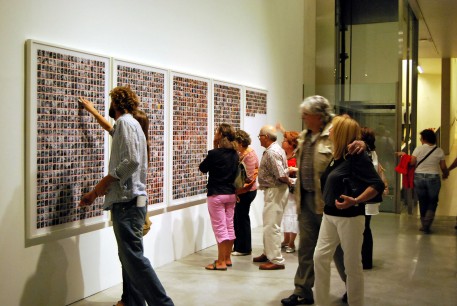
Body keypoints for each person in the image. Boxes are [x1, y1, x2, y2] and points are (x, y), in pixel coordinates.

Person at [79, 86, 174, 306]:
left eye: (110, 102)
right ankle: (133, 300)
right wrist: (92, 112)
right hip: (131, 202)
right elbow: (112, 132)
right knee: (129, 257)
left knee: (133, 258)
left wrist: (98, 188)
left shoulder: (126, 123)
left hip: (127, 202)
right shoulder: (130, 125)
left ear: (116, 103)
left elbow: (130, 161)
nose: (109, 106)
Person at [281, 96, 365, 306]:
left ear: (319, 116)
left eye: (307, 115)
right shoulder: (304, 136)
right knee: (307, 249)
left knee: (338, 251)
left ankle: (350, 286)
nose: (303, 118)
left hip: (329, 202)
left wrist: (362, 143)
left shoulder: (336, 131)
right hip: (306, 200)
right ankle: (302, 291)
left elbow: (358, 142)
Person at [314, 115, 384, 306]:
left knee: (352, 266)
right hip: (330, 215)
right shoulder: (337, 155)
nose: (329, 130)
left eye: (333, 128)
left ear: (341, 132)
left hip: (350, 217)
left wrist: (356, 200)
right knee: (319, 258)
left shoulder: (356, 155)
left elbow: (377, 183)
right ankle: (320, 301)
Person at [199, 123, 239, 270]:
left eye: (216, 132)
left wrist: (214, 148)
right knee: (229, 226)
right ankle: (227, 258)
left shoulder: (214, 154)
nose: (215, 134)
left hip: (216, 195)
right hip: (231, 194)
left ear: (221, 135)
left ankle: (220, 262)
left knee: (220, 228)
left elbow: (203, 168)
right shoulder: (235, 154)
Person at [253, 125, 290, 270]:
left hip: (275, 190)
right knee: (269, 224)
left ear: (266, 137)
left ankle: (276, 259)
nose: (259, 139)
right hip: (274, 190)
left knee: (271, 225)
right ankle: (268, 253)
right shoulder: (274, 149)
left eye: (260, 136)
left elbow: (280, 174)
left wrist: (289, 182)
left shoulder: (272, 152)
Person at [397, 129, 449, 233]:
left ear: (424, 139)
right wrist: (445, 174)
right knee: (433, 201)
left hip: (419, 177)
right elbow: (443, 167)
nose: (420, 140)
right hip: (433, 178)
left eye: (421, 138)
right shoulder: (439, 151)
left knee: (423, 201)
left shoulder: (418, 149)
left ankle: (424, 224)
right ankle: (427, 224)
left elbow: (412, 162)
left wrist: (404, 155)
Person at [360, 127, 388, 270]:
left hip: (364, 195)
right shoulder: (373, 153)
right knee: (365, 228)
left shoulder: (363, 153)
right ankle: (366, 260)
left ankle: (363, 260)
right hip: (371, 195)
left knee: (362, 228)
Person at [231, 130, 259, 256]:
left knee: (241, 219)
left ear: (240, 142)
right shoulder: (247, 152)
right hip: (246, 191)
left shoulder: (247, 155)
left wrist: (238, 191)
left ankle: (243, 248)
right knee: (239, 218)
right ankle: (240, 246)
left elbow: (247, 177)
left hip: (245, 192)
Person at [276, 124, 299, 253]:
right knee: (285, 214)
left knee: (293, 214)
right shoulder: (283, 155)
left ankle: (292, 242)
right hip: (284, 188)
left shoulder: (297, 157)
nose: (282, 142)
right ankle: (285, 239)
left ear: (291, 144)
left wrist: (294, 169)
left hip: (293, 189)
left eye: (285, 141)